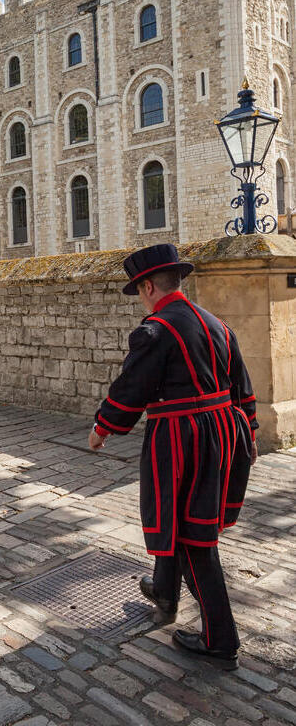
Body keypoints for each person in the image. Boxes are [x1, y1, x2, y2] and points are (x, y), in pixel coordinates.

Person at [88, 243, 258, 670]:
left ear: (147, 286)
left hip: (185, 440)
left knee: (193, 536)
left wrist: (103, 426)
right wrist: (249, 433)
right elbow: (242, 383)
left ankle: (221, 639)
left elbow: (133, 387)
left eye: (139, 290)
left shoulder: (156, 329)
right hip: (224, 432)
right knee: (180, 518)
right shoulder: (216, 322)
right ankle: (165, 592)